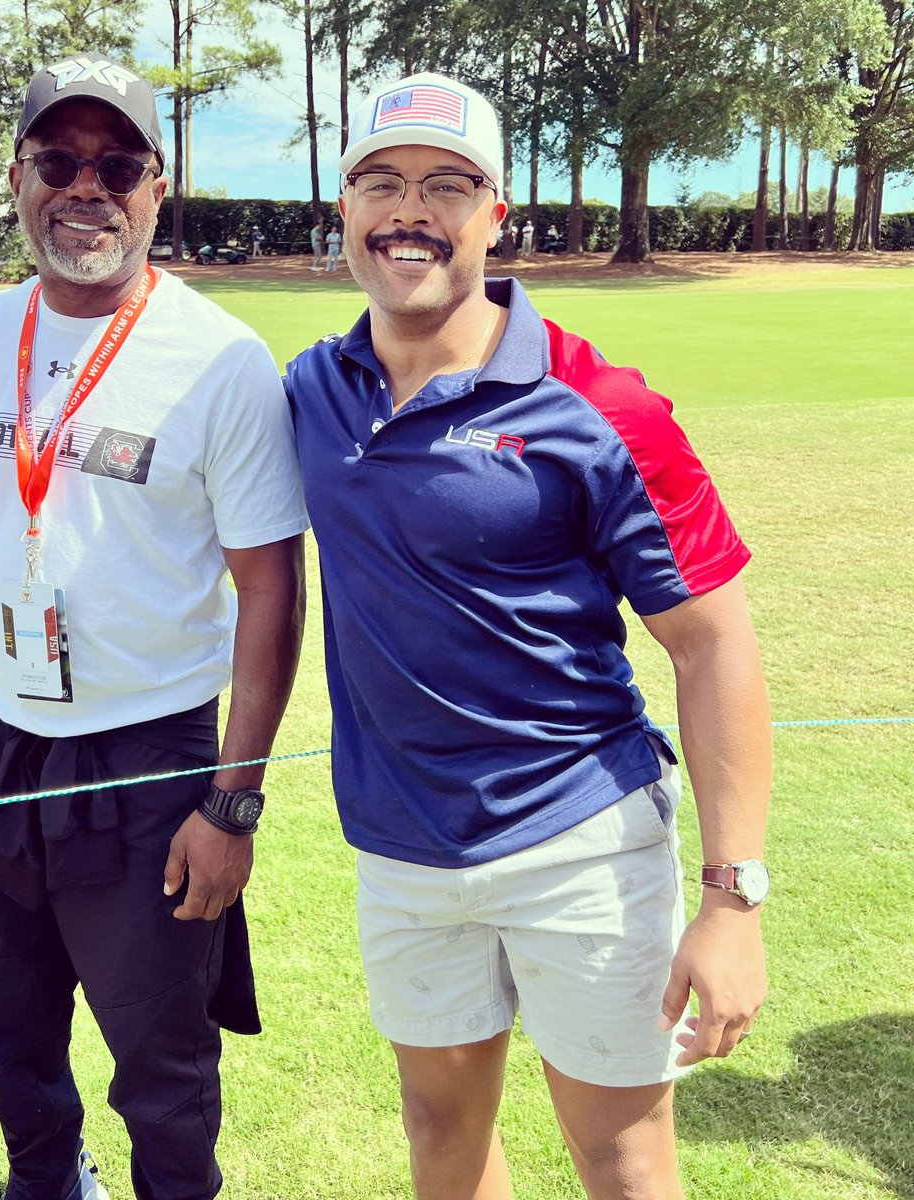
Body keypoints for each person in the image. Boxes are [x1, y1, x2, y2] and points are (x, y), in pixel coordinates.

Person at [285, 70, 770, 1200]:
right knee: (439, 1133)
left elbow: (714, 642)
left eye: (447, 185)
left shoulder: (604, 405)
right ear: (344, 207)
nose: (411, 209)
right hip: (402, 849)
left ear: (497, 216)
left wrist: (733, 901)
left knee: (622, 1154)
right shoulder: (312, 388)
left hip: (580, 842)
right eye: (382, 181)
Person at [0, 53, 308, 1200]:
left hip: (152, 757)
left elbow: (273, 589)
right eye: (58, 162)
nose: (88, 188)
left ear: (156, 188)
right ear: (19, 177)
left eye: (117, 164)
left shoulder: (221, 359)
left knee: (161, 1059)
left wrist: (231, 801)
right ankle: (47, 1173)